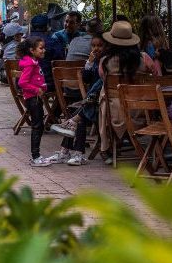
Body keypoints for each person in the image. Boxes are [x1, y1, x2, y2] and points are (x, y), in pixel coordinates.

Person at [98, 20, 155, 164]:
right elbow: (155, 77)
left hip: (114, 114)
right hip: (141, 113)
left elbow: (102, 78)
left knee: (103, 94)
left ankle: (107, 147)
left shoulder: (105, 61)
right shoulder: (144, 58)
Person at [50, 31, 107, 165]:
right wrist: (89, 63)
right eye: (93, 46)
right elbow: (86, 78)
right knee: (80, 116)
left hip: (101, 102)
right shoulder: (95, 61)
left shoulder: (106, 62)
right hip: (93, 100)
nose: (96, 49)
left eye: (99, 46)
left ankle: (68, 151)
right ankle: (74, 153)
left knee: (80, 116)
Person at [17, 36, 53, 167]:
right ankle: (35, 156)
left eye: (44, 48)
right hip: (33, 99)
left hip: (35, 98)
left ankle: (37, 155)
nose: (44, 50)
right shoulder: (31, 64)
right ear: (32, 50)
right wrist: (36, 89)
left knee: (39, 126)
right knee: (37, 126)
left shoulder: (34, 62)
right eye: (41, 48)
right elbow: (22, 82)